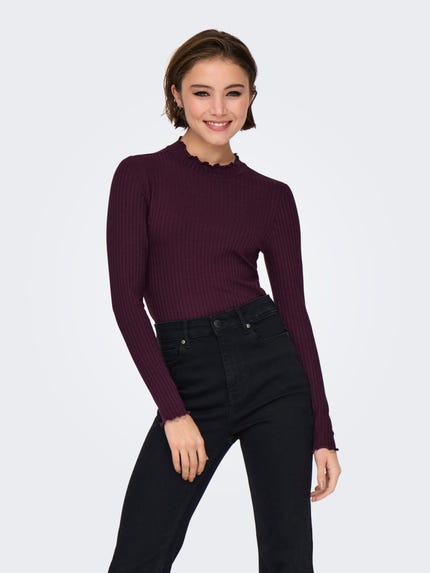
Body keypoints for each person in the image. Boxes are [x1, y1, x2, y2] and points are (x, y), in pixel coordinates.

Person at [106, 28, 341, 573]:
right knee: (140, 554)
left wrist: (322, 433)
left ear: (251, 97)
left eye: (233, 92)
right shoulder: (139, 176)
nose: (218, 109)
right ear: (175, 94)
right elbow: (125, 301)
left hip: (273, 372)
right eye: (201, 92)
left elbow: (295, 314)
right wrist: (174, 412)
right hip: (189, 376)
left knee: (288, 557)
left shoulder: (272, 196)